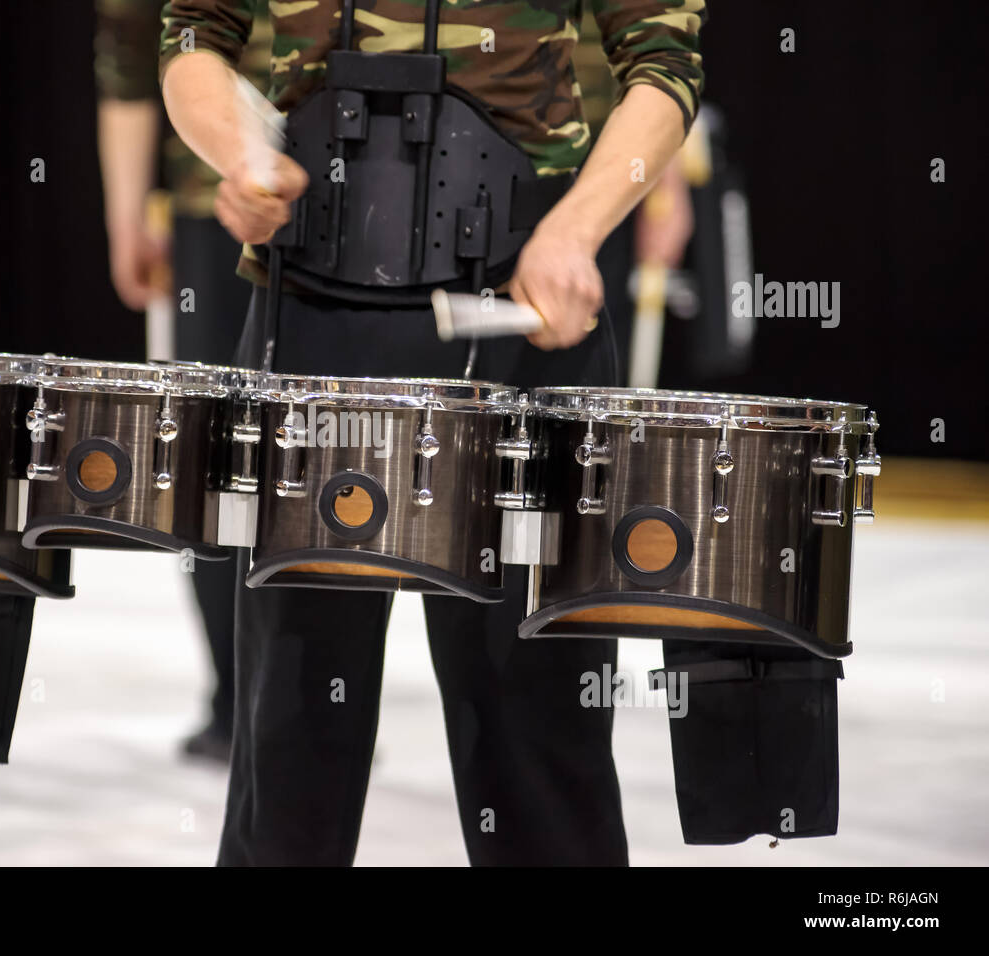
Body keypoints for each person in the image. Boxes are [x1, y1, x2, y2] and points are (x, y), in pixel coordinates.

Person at [158, 0, 706, 863]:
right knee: (289, 733)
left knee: (536, 730)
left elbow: (666, 57)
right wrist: (241, 154)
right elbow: (193, 33)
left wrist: (576, 232)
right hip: (310, 311)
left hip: (521, 306)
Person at [95, 0, 272, 760]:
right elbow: (130, 51)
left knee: (217, 461)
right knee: (260, 456)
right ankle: (277, 703)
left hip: (224, 207)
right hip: (296, 204)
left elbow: (128, 56)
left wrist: (126, 213)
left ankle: (249, 703)